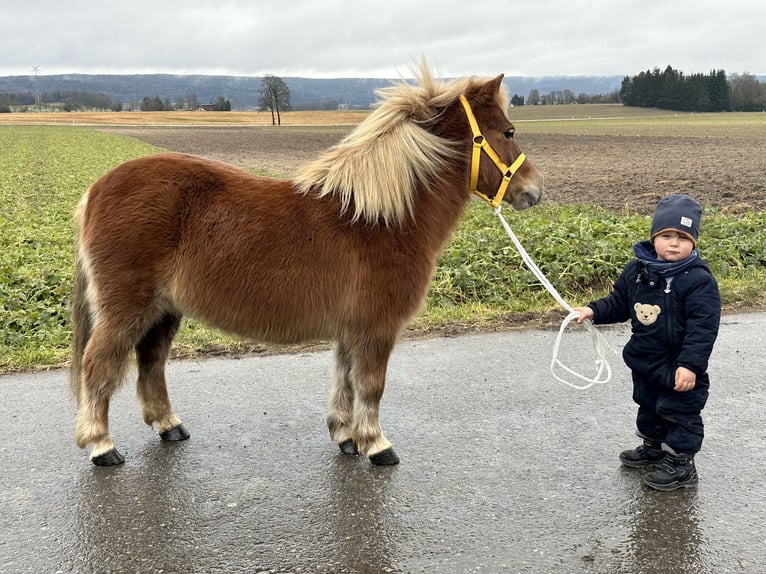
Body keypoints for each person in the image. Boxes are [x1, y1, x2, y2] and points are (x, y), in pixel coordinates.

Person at [573, 194, 720, 491]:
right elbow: (618, 302)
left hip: (679, 365)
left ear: (693, 241)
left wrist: (690, 365)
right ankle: (654, 447)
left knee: (680, 411)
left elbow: (703, 328)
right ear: (654, 237)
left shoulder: (698, 280)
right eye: (667, 235)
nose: (674, 243)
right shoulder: (636, 271)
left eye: (683, 237)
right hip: (645, 360)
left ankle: (681, 463)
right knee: (648, 405)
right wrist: (593, 310)